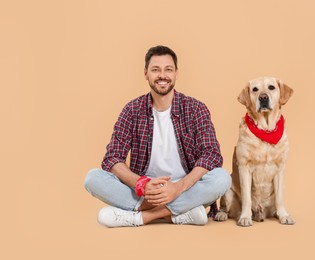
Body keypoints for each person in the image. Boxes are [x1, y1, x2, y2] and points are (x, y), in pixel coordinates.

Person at [84, 45, 231, 227]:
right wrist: (141, 184)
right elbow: (112, 158)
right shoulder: (132, 110)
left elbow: (211, 154)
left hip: (185, 189)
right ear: (146, 73)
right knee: (92, 178)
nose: (162, 75)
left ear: (176, 73)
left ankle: (142, 217)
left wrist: (177, 188)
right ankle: (179, 214)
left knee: (222, 178)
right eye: (156, 70)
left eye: (168, 69)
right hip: (144, 190)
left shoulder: (195, 108)